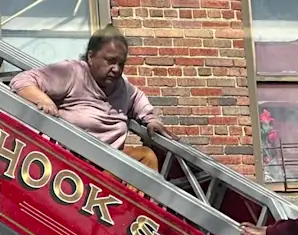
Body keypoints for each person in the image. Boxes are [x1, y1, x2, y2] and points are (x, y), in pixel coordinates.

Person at [9, 24, 175, 188]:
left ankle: (132, 205)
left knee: (146, 156)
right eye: (110, 61)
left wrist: (152, 120)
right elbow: (21, 81)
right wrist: (44, 100)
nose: (116, 69)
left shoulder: (123, 87)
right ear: (90, 57)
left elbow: (140, 102)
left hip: (109, 170)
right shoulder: (72, 72)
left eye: (121, 63)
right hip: (69, 169)